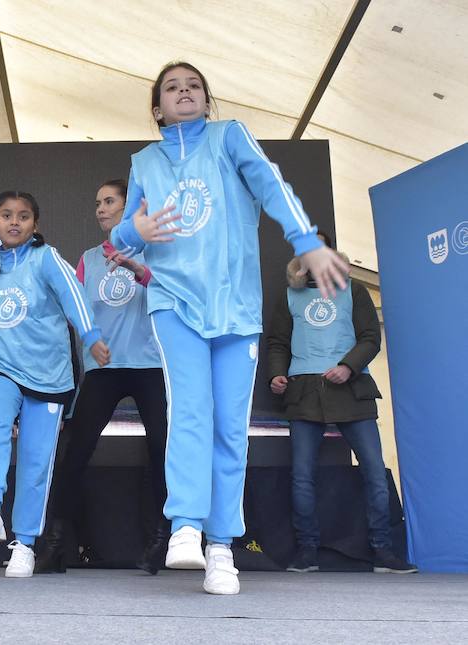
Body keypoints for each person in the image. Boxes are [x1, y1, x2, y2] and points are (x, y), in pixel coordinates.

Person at [109, 61, 349, 594]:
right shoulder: (144, 161)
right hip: (173, 302)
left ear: (207, 99)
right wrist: (135, 227)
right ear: (157, 108)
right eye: (172, 87)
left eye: (193, 85)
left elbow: (270, 183)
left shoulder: (229, 137)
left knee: (228, 426)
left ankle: (222, 547)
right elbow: (123, 240)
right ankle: (187, 526)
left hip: (235, 308)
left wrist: (306, 240)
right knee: (190, 410)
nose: (184, 92)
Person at [0, 190, 110, 578]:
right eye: (6, 215)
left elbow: (75, 298)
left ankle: (25, 544)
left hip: (49, 375)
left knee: (38, 461)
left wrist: (92, 337)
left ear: (35, 224)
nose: (14, 222)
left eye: (23, 216)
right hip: (1, 366)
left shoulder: (46, 258)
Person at [35, 179, 169, 575]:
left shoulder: (155, 253)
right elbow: (73, 308)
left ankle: (159, 542)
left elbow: (174, 294)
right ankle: (57, 544)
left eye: (109, 201)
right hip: (103, 367)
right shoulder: (89, 258)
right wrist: (88, 340)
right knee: (74, 451)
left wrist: (137, 268)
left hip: (150, 365)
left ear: (131, 209)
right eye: (97, 202)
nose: (100, 208)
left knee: (163, 450)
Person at [266, 232, 417, 574]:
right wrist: (276, 374)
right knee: (302, 476)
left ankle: (383, 552)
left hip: (351, 389)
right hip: (303, 390)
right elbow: (277, 342)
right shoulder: (290, 296)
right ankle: (307, 552)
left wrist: (348, 366)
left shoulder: (355, 290)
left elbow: (370, 337)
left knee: (375, 473)